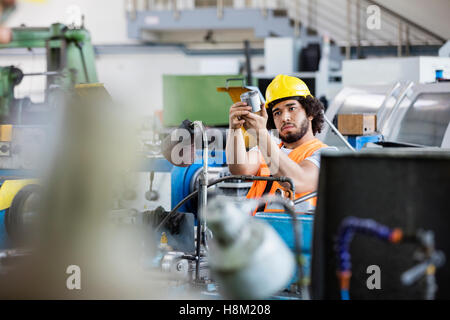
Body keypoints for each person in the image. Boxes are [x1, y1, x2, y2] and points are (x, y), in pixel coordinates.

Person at [225, 74, 335, 214]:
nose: (284, 118)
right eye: (277, 113)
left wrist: (260, 134)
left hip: (296, 233)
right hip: (259, 232)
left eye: (292, 108)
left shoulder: (326, 155)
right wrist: (234, 128)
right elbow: (238, 168)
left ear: (310, 113)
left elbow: (296, 182)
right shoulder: (266, 150)